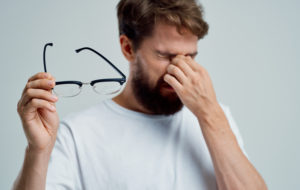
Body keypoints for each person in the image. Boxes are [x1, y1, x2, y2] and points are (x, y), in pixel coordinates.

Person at [13, 0, 267, 189]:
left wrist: (210, 114)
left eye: (190, 56)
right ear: (127, 47)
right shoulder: (76, 134)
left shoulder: (216, 119)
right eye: (165, 56)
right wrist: (38, 151)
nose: (181, 69)